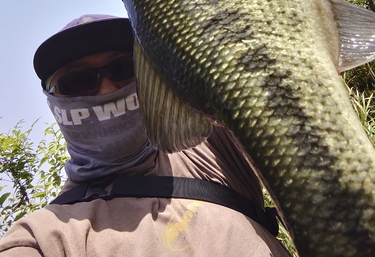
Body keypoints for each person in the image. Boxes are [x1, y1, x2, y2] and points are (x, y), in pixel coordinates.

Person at [0, 14, 291, 256]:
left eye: (124, 68)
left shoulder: (210, 141)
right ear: (54, 102)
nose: (108, 90)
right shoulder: (44, 239)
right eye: (78, 81)